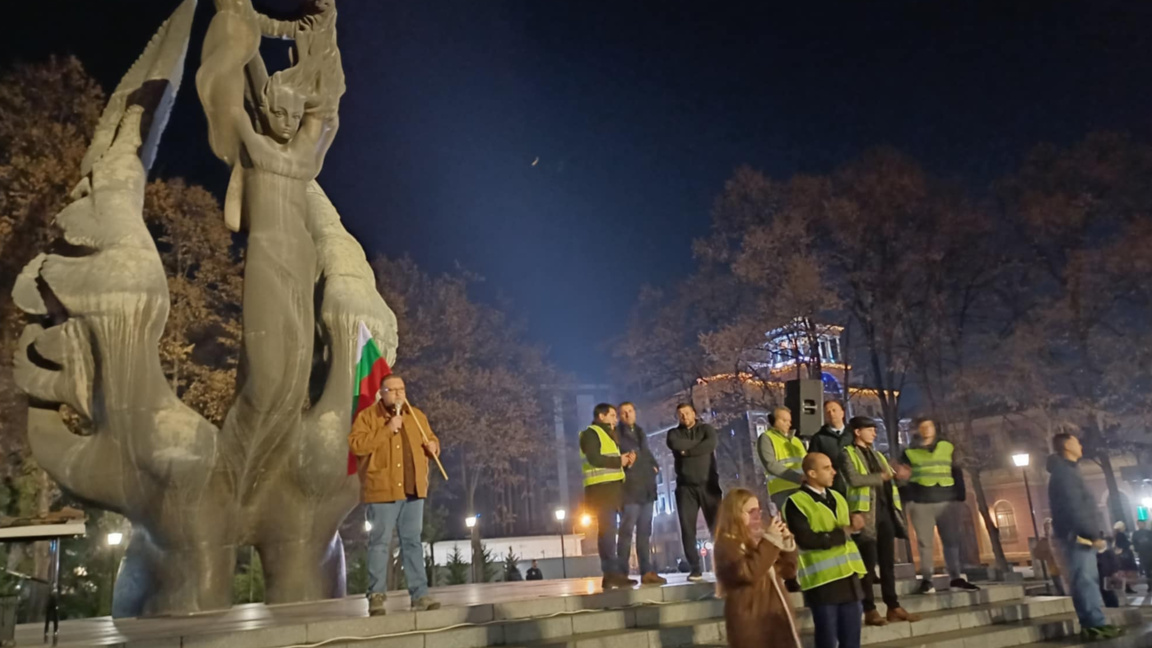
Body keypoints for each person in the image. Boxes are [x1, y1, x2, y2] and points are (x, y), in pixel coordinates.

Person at [349, 374, 442, 615]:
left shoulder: (416, 416)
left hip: (413, 490)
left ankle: (419, 595)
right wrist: (387, 429)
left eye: (402, 389)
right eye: (393, 390)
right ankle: (376, 595)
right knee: (380, 543)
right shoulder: (368, 417)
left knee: (412, 543)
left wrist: (433, 447)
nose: (399, 394)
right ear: (382, 393)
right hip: (383, 490)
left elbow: (430, 439)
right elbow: (357, 445)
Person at [838, 417, 920, 626]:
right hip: (865, 514)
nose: (874, 433)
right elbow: (854, 479)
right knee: (866, 564)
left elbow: (890, 477)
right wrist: (882, 477)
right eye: (870, 429)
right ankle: (870, 609)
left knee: (887, 563)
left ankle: (893, 605)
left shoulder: (877, 455)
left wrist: (899, 475)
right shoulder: (847, 453)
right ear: (857, 432)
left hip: (885, 513)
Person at [1047, 433, 1125, 640]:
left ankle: (1095, 622)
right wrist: (1090, 534)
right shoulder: (1065, 473)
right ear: (1066, 445)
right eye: (1076, 441)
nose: (1080, 444)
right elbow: (1075, 507)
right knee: (1084, 580)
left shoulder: (1069, 471)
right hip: (1076, 537)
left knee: (1088, 579)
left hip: (1080, 536)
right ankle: (1093, 625)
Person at [784, 453, 867, 648]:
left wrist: (856, 527)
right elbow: (806, 540)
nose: (834, 472)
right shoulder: (796, 502)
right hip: (822, 583)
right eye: (827, 468)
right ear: (811, 473)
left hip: (849, 578)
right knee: (827, 641)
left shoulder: (838, 497)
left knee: (852, 641)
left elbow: (847, 534)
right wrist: (844, 531)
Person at [896, 418, 979, 593]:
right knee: (924, 543)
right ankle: (927, 580)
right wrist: (907, 496)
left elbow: (956, 470)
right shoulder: (909, 452)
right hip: (921, 502)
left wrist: (960, 495)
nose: (926, 430)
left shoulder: (947, 447)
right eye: (922, 427)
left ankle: (955, 577)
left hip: (947, 501)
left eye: (929, 426)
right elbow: (903, 477)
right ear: (918, 430)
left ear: (935, 428)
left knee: (951, 540)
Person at [714, 488, 801, 648]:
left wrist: (786, 543)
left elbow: (787, 572)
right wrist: (770, 541)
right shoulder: (726, 544)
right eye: (751, 511)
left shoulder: (758, 540)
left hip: (775, 618)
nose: (757, 515)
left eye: (758, 510)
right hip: (753, 620)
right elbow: (749, 572)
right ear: (734, 513)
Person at [580, 403, 637, 589]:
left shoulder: (608, 434)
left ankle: (615, 573)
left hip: (613, 490)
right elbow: (594, 459)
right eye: (612, 415)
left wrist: (625, 461)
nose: (615, 418)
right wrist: (618, 461)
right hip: (600, 491)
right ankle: (611, 573)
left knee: (612, 532)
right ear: (601, 416)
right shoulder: (591, 433)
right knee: (607, 533)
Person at [667, 403, 723, 581]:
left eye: (687, 413)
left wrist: (686, 451)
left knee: (717, 527)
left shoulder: (707, 429)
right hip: (685, 488)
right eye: (680, 414)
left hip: (709, 484)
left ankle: (723, 565)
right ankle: (695, 568)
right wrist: (697, 447)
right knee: (687, 528)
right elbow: (676, 444)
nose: (684, 416)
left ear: (694, 413)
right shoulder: (673, 433)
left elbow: (711, 444)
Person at [617, 402, 667, 585]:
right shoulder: (617, 435)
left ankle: (647, 571)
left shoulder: (640, 432)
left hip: (647, 488)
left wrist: (655, 467)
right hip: (630, 490)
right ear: (619, 416)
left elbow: (646, 453)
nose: (627, 415)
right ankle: (621, 573)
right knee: (626, 532)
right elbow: (623, 458)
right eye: (623, 413)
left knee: (645, 532)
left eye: (630, 411)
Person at [757, 407, 807, 515]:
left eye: (789, 421)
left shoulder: (796, 441)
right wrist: (798, 477)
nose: (788, 424)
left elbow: (806, 462)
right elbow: (770, 464)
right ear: (773, 421)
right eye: (784, 420)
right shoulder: (766, 438)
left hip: (802, 487)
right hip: (781, 490)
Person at [809, 400, 854, 495]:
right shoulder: (819, 438)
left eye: (834, 410)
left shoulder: (853, 434)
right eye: (828, 412)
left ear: (842, 413)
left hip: (855, 483)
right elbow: (813, 461)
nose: (831, 414)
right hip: (833, 485)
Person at [1032, 519, 1065, 596]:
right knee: (1059, 587)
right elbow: (1037, 553)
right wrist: (1047, 554)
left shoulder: (1060, 538)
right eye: (1046, 527)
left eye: (1049, 527)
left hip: (1063, 567)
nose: (1048, 529)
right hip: (1053, 567)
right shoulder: (1044, 541)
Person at [1113, 522, 1138, 594]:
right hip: (1125, 556)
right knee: (1127, 572)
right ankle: (1127, 587)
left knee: (1124, 572)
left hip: (1122, 556)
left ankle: (1127, 587)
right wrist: (1129, 544)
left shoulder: (1117, 535)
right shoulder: (1120, 534)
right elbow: (1121, 544)